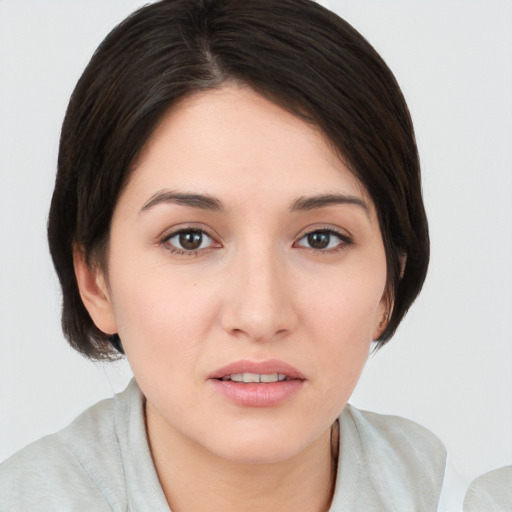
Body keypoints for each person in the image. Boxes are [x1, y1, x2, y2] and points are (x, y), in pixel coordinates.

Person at [0, 0, 478, 510]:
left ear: (389, 283)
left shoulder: (448, 492)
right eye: (189, 238)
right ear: (95, 280)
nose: (260, 315)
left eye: (320, 238)